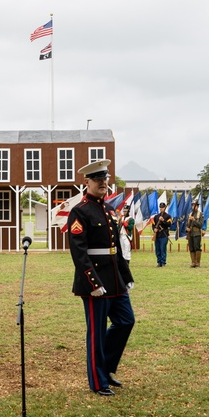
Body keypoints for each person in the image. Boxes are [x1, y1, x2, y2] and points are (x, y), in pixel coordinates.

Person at [66, 159, 135, 396]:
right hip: (95, 281)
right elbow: (79, 251)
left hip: (114, 277)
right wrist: (92, 282)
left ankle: (105, 368)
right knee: (96, 332)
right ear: (87, 182)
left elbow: (116, 247)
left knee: (126, 321)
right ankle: (98, 381)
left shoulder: (108, 209)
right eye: (97, 179)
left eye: (105, 179)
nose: (102, 183)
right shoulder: (79, 211)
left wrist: (126, 276)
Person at [152, 202, 171, 267]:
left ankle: (163, 262)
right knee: (157, 249)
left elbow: (169, 224)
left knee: (163, 249)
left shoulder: (168, 216)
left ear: (165, 208)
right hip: (157, 235)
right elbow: (153, 225)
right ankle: (159, 262)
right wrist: (154, 229)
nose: (161, 209)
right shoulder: (156, 216)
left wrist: (163, 220)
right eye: (160, 207)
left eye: (162, 207)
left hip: (164, 234)